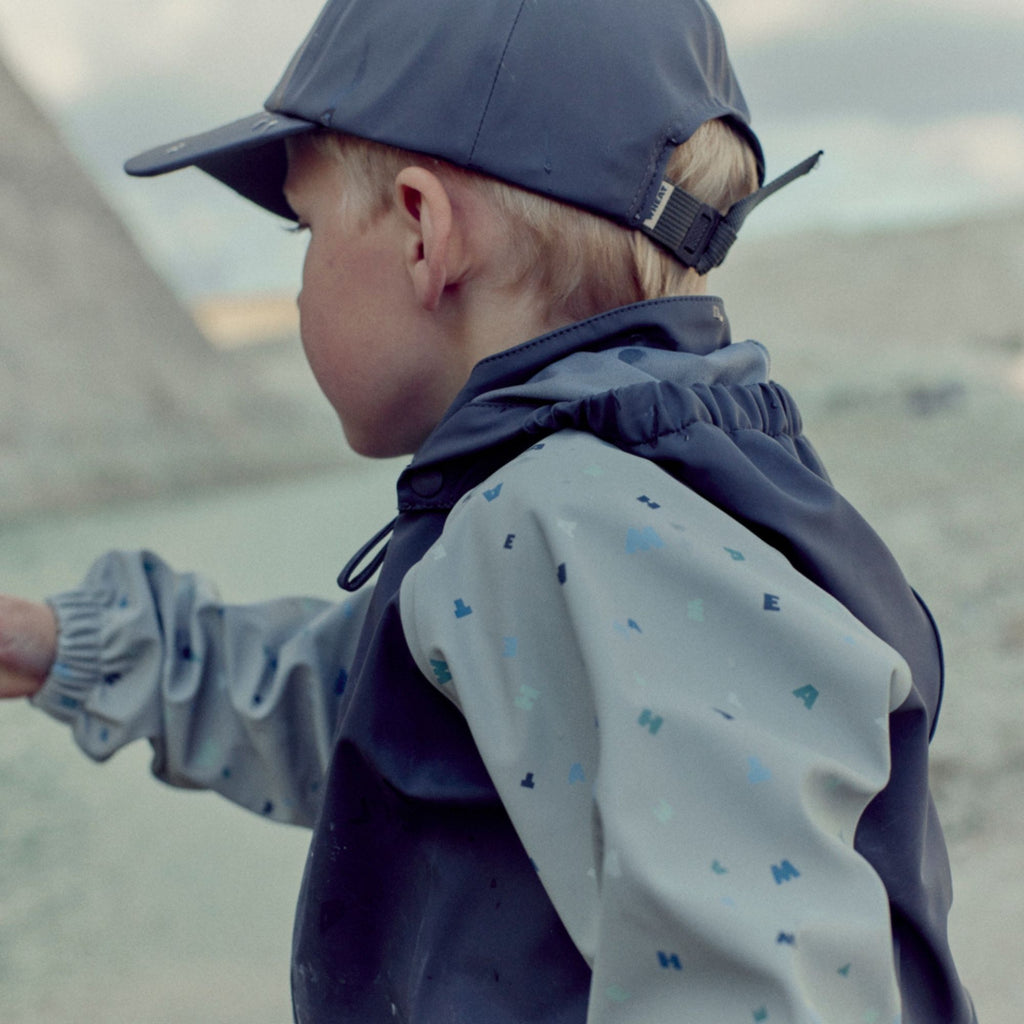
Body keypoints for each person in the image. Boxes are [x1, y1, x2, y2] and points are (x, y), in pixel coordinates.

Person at [0, 1, 976, 1021]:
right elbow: (366, 712)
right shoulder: (632, 497)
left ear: (423, 232)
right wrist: (64, 647)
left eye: (305, 226)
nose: (298, 286)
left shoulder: (569, 521)